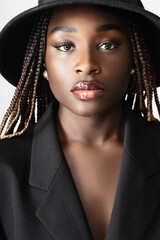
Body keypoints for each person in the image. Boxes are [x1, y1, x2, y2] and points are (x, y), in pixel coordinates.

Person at [0, 0, 160, 239]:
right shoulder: (5, 167)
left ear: (135, 57)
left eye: (108, 45)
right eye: (65, 46)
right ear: (42, 60)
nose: (87, 65)